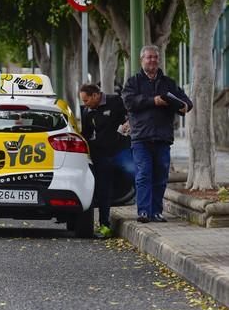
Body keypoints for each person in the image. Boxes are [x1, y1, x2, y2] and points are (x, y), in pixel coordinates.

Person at [122, 44, 193, 223]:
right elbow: (129, 102)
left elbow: (185, 102)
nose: (152, 60)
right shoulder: (133, 82)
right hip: (141, 138)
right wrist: (152, 100)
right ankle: (144, 212)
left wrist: (185, 106)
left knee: (161, 176)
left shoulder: (168, 82)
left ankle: (156, 212)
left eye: (155, 57)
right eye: (149, 57)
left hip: (162, 138)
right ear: (142, 60)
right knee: (144, 174)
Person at [79, 83, 132, 238]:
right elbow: (86, 134)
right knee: (103, 190)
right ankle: (104, 225)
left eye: (86, 100)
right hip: (101, 155)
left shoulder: (115, 101)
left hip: (120, 151)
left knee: (135, 174)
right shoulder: (87, 111)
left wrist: (128, 124)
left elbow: (131, 115)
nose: (85, 104)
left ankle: (144, 211)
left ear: (96, 95)